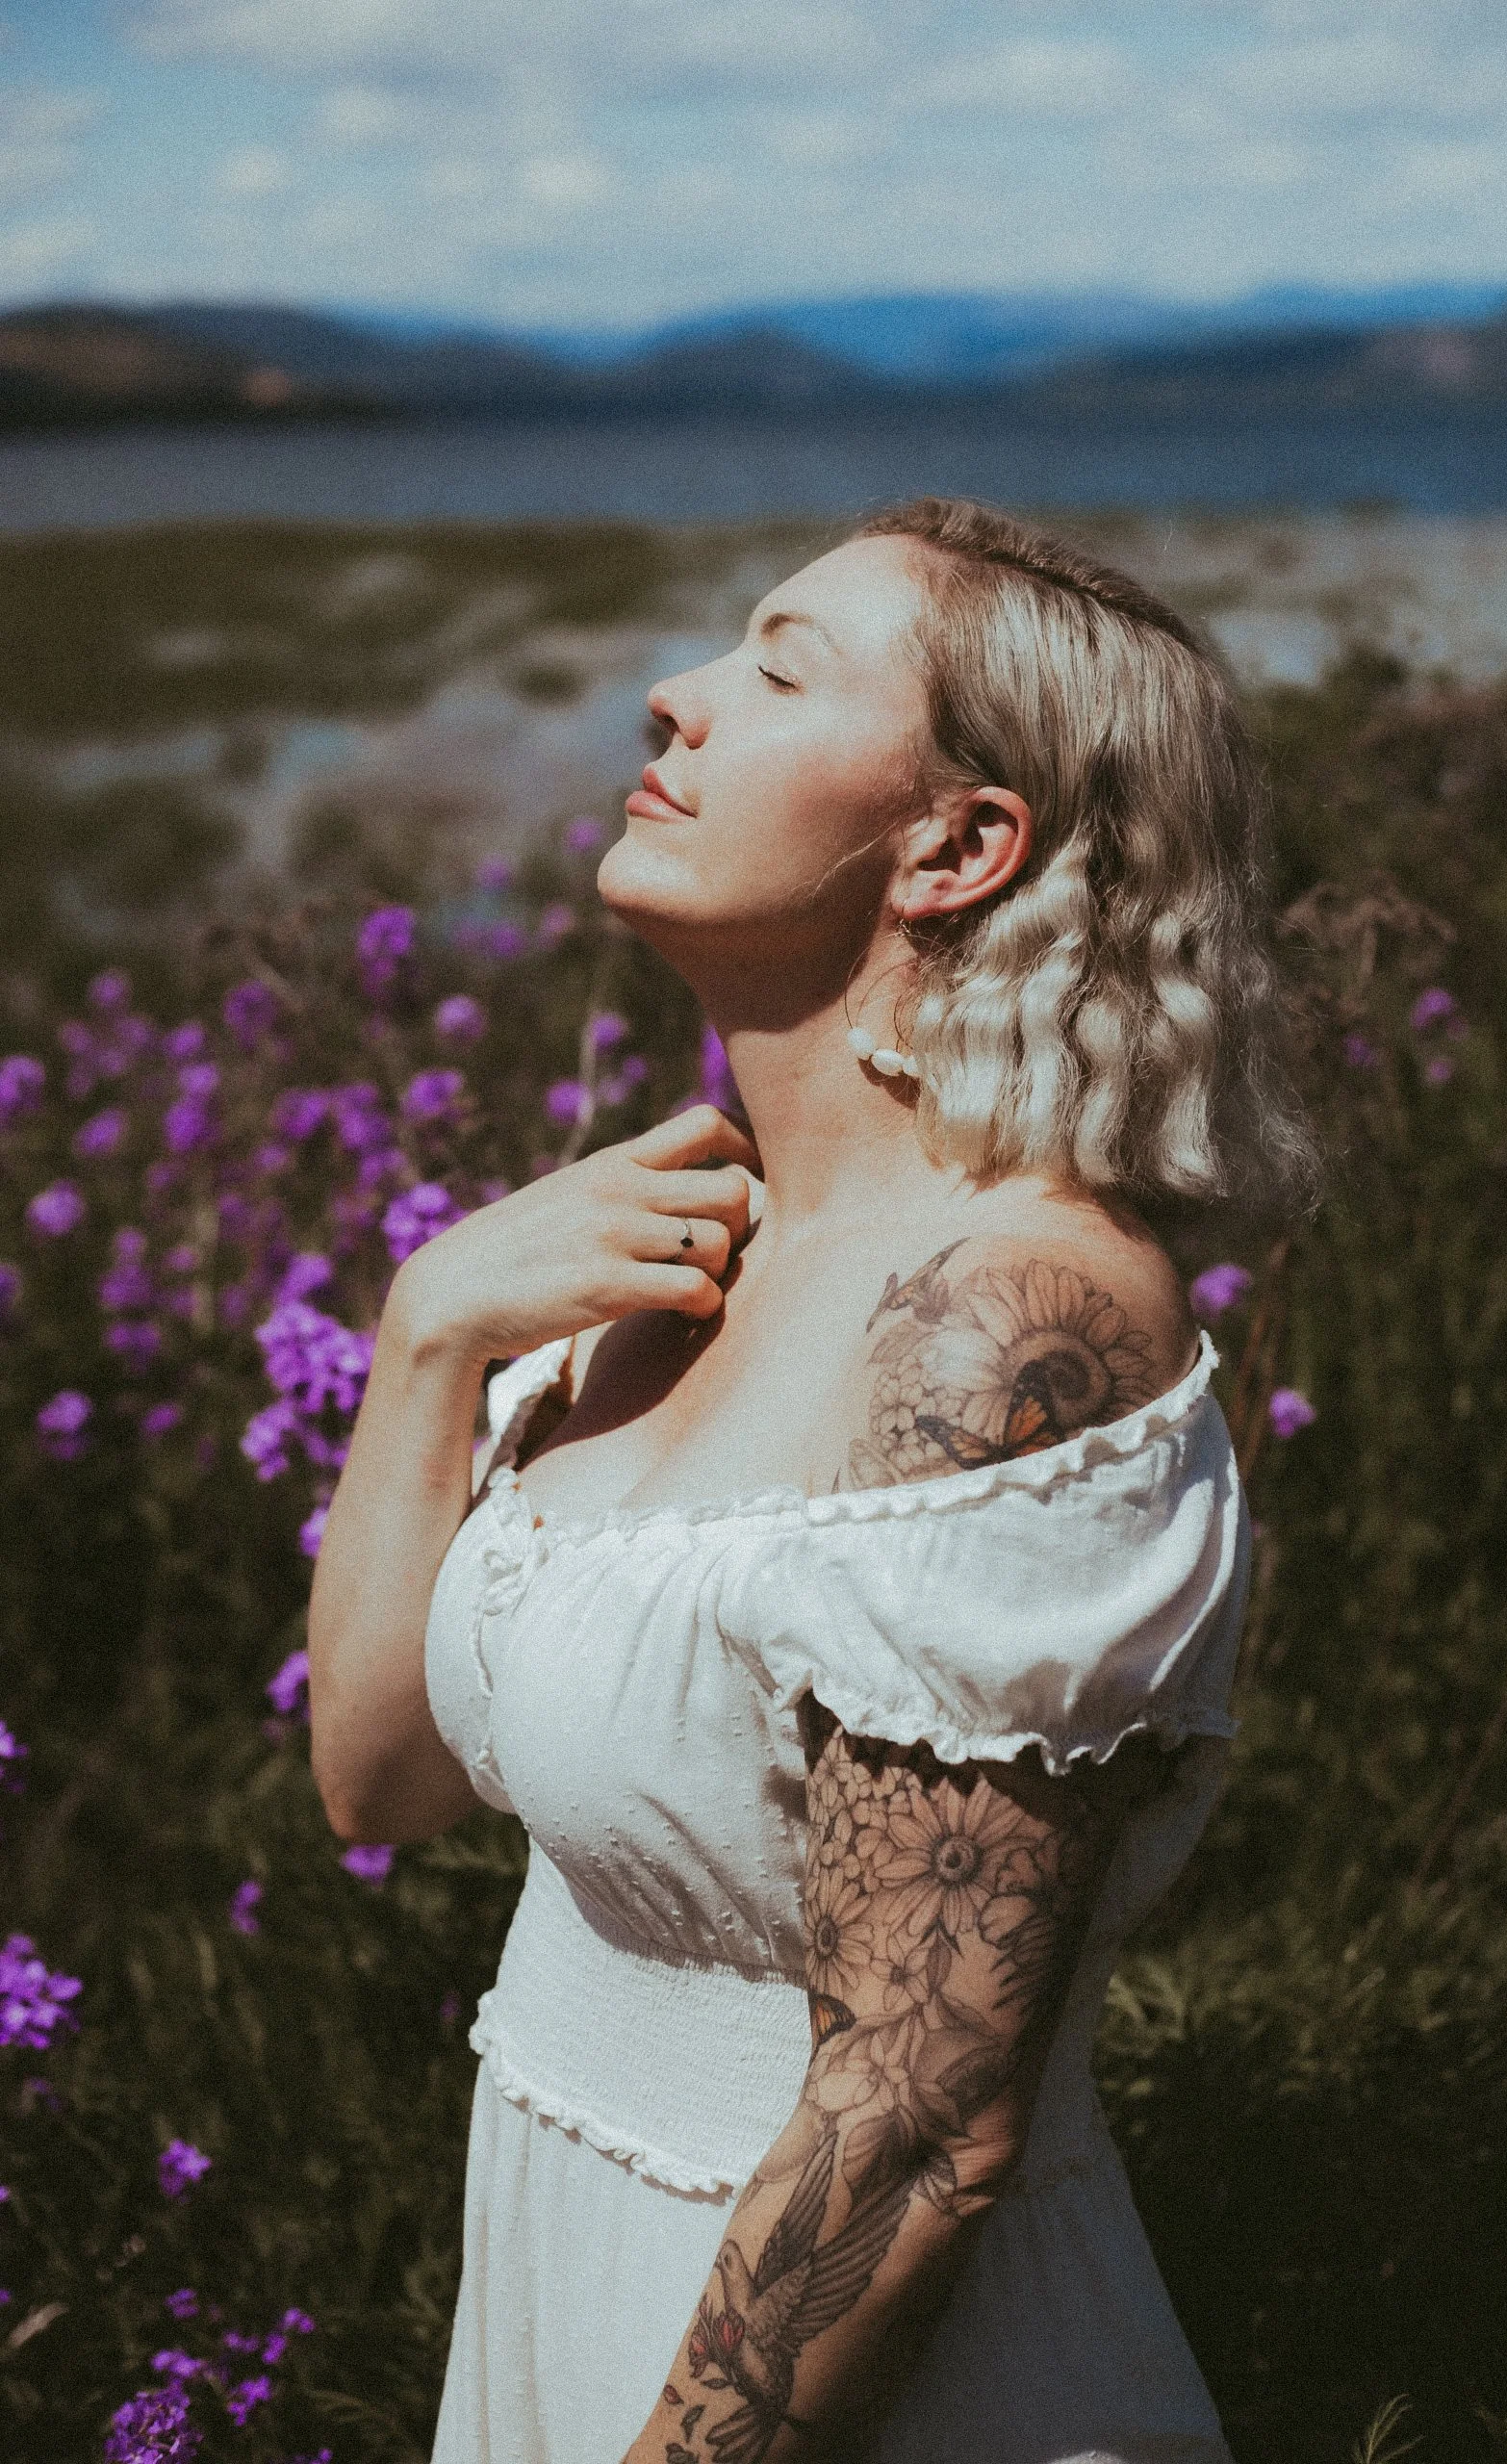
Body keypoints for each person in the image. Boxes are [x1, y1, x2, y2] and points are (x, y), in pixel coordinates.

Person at [308, 497, 1313, 2463]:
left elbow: (928, 2115)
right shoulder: (676, 1235)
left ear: (956, 846)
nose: (672, 698)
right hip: (582, 2298)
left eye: (777, 668)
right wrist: (427, 1336)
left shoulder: (1008, 1325)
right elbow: (382, 1779)